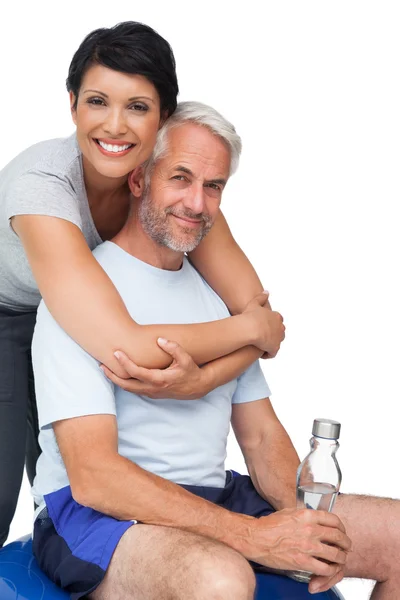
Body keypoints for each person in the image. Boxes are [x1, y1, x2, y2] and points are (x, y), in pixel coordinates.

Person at [31, 102, 400, 600]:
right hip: (94, 515)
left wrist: (304, 521)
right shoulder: (81, 298)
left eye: (213, 186)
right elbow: (96, 477)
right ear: (139, 180)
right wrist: (253, 537)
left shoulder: (219, 302)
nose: (196, 202)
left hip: (213, 495)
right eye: (180, 178)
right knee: (221, 578)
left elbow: (262, 436)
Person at [0, 22, 285, 548]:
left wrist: (204, 379)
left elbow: (260, 319)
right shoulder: (40, 187)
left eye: (137, 106)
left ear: (164, 118)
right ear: (72, 106)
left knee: (73, 481)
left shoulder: (173, 190)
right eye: (97, 102)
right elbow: (137, 344)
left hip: (81, 308)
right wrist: (247, 331)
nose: (114, 125)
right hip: (9, 313)